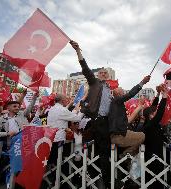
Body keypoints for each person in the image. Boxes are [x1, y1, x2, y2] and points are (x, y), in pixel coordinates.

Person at [70, 40, 113, 187]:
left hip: (106, 123)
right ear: (97, 76)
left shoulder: (109, 90)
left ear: (108, 76)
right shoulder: (94, 83)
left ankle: (103, 180)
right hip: (95, 121)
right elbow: (85, 69)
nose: (102, 74)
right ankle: (95, 180)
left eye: (105, 73)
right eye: (100, 72)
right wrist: (78, 51)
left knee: (103, 152)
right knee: (92, 150)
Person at [109, 75, 150, 157]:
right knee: (142, 136)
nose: (125, 94)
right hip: (119, 136)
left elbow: (127, 121)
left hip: (119, 134)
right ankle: (125, 155)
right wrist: (142, 82)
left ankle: (127, 157)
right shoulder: (117, 101)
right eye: (123, 92)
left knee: (138, 134)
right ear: (119, 94)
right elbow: (130, 94)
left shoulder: (116, 105)